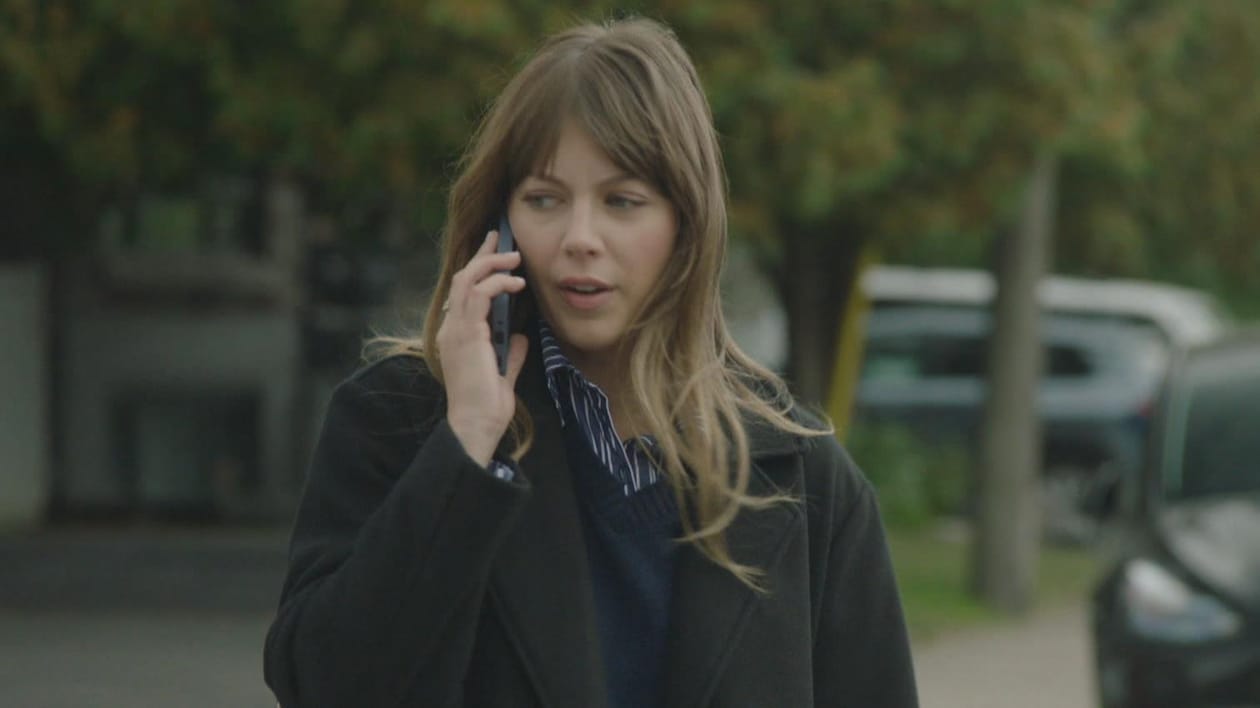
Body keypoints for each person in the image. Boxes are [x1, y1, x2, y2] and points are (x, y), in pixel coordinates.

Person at [264, 17, 918, 708]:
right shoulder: (399, 421)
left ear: (685, 225)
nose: (580, 238)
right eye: (544, 200)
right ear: (501, 224)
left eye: (622, 202)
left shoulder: (805, 478)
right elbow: (323, 685)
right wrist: (463, 452)